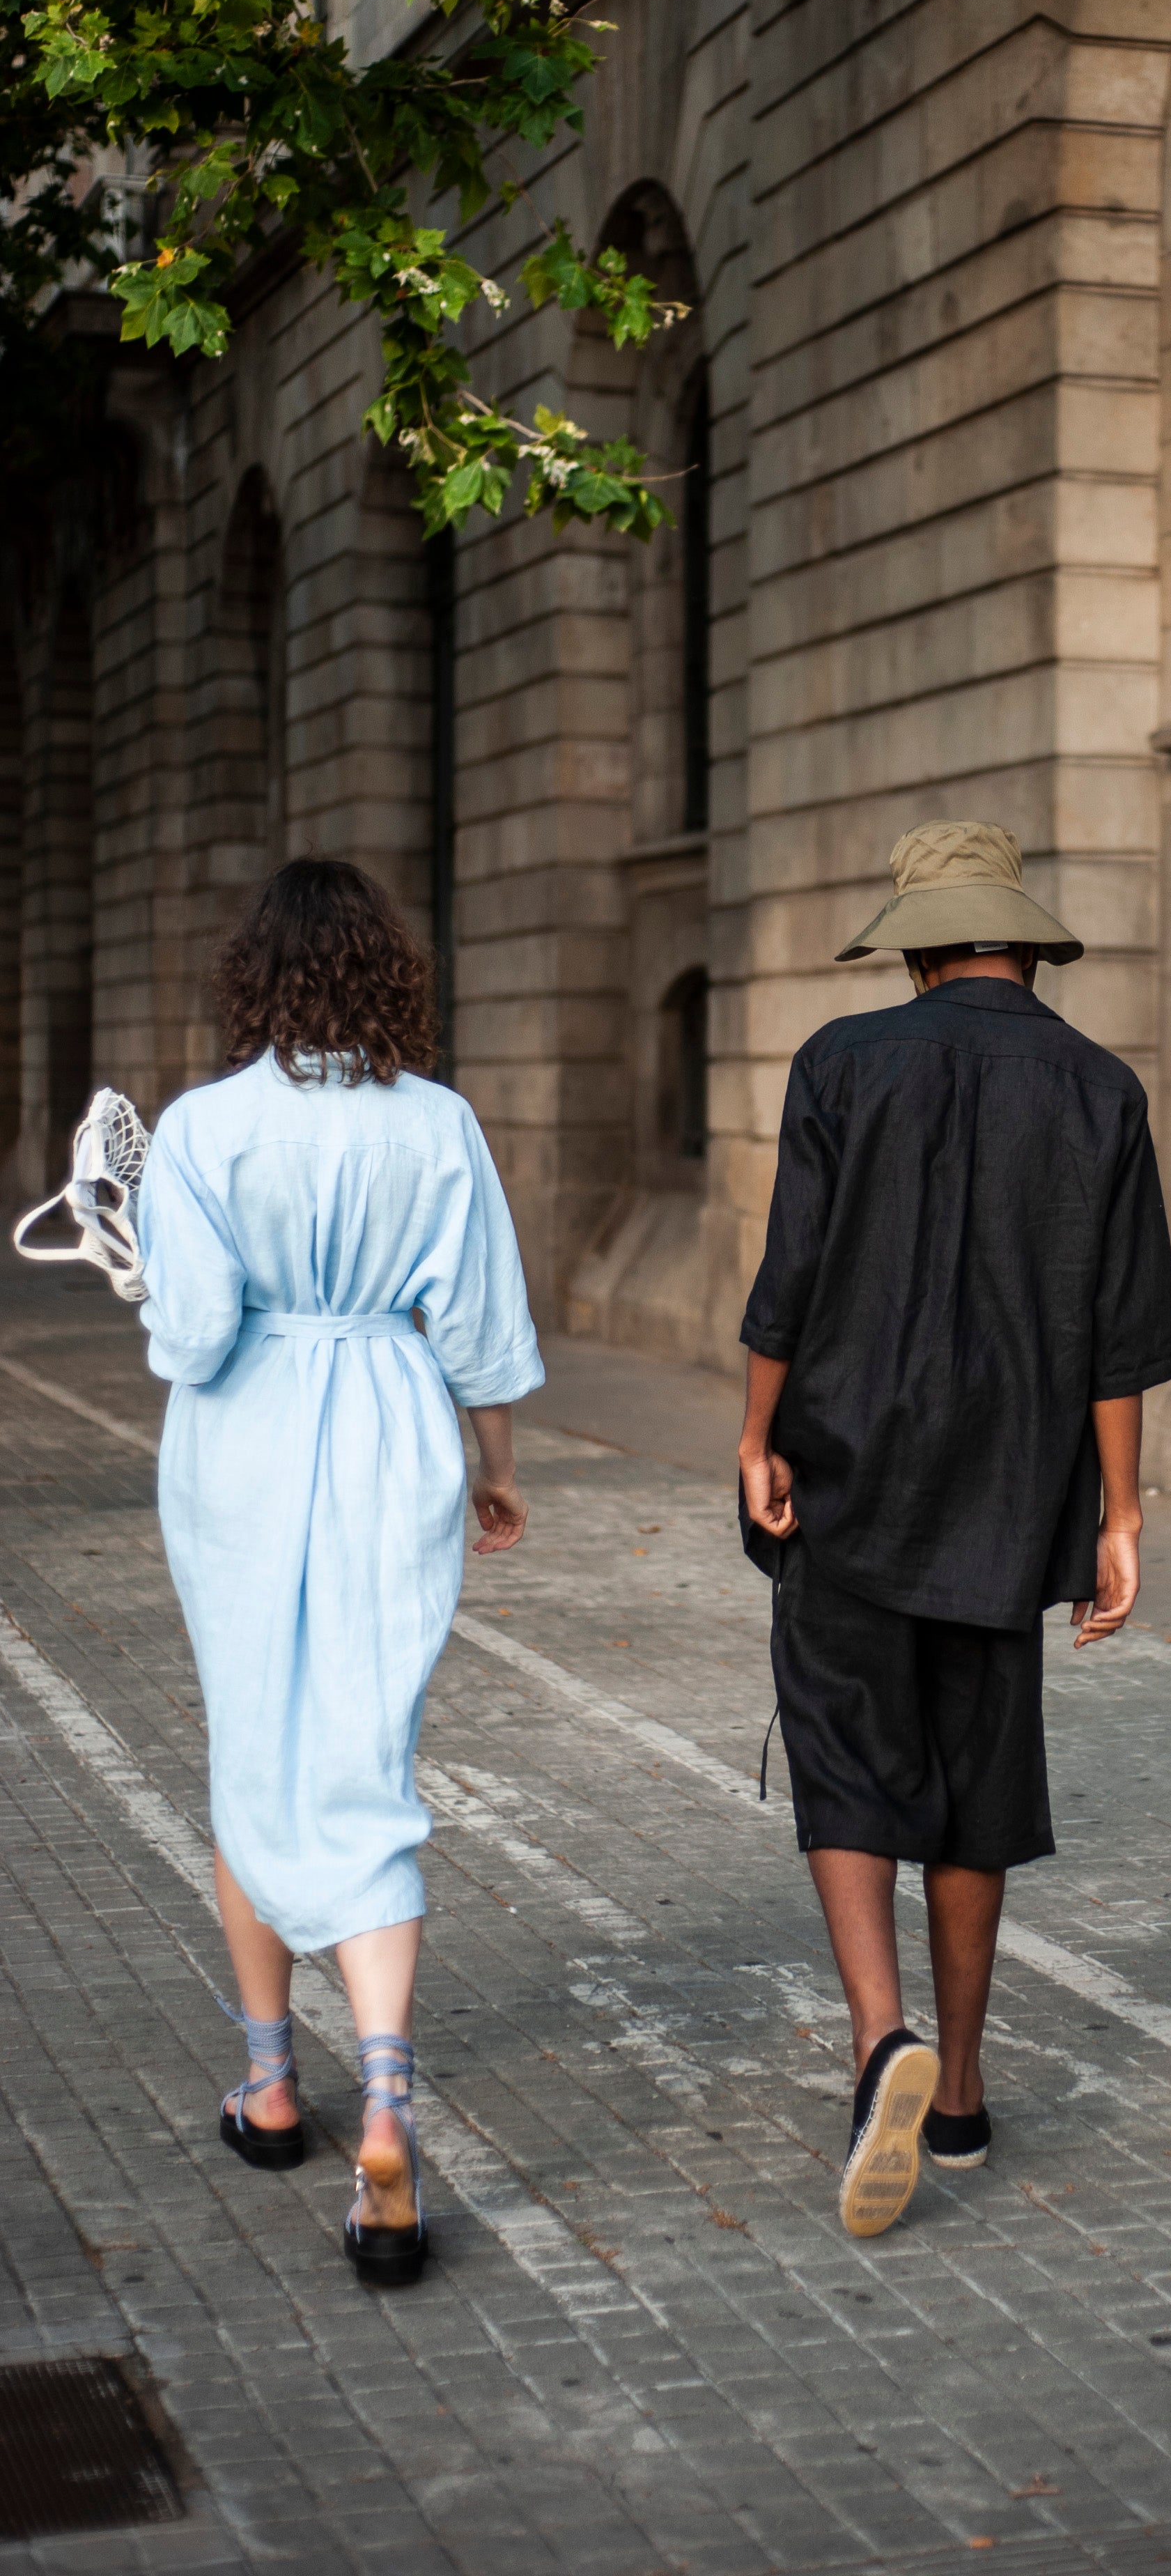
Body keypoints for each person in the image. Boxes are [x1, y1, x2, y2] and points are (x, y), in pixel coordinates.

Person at [738, 820, 1171, 2238]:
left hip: (852, 1475)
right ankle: (970, 2091)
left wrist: (756, 1435)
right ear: (1024, 941)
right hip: (1012, 1492)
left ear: (918, 944)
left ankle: (883, 2043)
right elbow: (1123, 1332)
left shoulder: (840, 1065)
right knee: (978, 1777)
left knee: (846, 1745)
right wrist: (1120, 1514)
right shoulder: (1101, 1088)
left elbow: (788, 1281)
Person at [138, 858, 543, 2285]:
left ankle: (266, 2084)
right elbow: (482, 1317)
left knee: (257, 1745)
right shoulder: (438, 1122)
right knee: (369, 1757)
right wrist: (493, 1462)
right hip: (390, 1426)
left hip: (243, 1443)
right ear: (386, 972)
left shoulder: (199, 1128)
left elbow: (188, 1340)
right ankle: (384, 2099)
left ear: (254, 975)